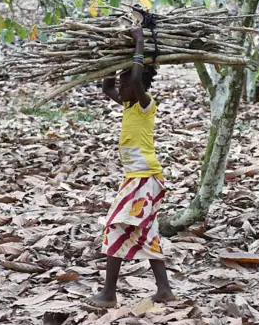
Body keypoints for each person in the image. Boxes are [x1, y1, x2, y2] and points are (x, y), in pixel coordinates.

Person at [86, 25, 175, 309]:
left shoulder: (145, 105)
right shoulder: (127, 103)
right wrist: (113, 60)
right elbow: (108, 87)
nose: (122, 90)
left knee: (115, 227)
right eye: (123, 86)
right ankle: (164, 290)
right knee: (145, 233)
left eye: (127, 86)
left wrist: (139, 45)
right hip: (136, 178)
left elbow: (135, 80)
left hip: (143, 178)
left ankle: (109, 293)